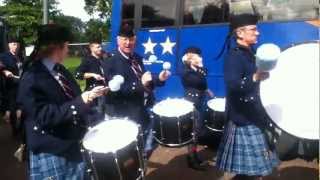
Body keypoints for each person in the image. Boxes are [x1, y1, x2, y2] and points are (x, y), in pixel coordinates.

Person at [17, 24, 108, 180]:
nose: (68, 50)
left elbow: (74, 98)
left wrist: (98, 116)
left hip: (71, 143)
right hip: (52, 150)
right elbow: (43, 116)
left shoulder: (61, 70)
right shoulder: (32, 76)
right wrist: (80, 101)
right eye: (66, 46)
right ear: (56, 47)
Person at [216, 14, 279, 180]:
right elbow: (233, 84)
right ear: (240, 33)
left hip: (255, 115)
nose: (257, 33)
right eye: (253, 29)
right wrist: (255, 77)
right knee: (251, 172)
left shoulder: (252, 53)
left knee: (253, 171)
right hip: (243, 119)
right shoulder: (234, 55)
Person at [103, 24, 170, 155]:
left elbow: (146, 80)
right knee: (127, 155)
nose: (128, 43)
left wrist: (160, 79)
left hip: (142, 111)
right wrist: (140, 84)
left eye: (131, 39)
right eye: (124, 39)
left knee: (146, 148)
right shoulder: (109, 62)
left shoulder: (137, 58)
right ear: (118, 40)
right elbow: (113, 92)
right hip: (124, 115)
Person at [180, 47, 214, 170]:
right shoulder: (185, 70)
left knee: (197, 130)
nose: (199, 58)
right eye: (196, 56)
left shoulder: (197, 69)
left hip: (199, 101)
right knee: (193, 132)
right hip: (192, 103)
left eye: (199, 56)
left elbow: (203, 80)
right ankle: (192, 160)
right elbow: (197, 82)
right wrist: (197, 67)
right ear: (188, 57)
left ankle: (193, 155)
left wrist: (206, 90)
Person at [75, 38, 107, 117]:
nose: (100, 48)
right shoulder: (87, 60)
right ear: (91, 48)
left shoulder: (103, 59)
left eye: (100, 46)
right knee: (98, 117)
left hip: (106, 92)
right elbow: (78, 74)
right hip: (95, 95)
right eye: (98, 47)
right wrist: (93, 75)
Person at [0, 36, 23, 137]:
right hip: (11, 86)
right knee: (13, 108)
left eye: (17, 44)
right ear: (9, 45)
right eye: (14, 44)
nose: (16, 46)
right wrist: (5, 71)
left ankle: (21, 128)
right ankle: (15, 130)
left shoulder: (20, 56)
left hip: (22, 84)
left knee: (23, 107)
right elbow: (1, 66)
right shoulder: (4, 56)